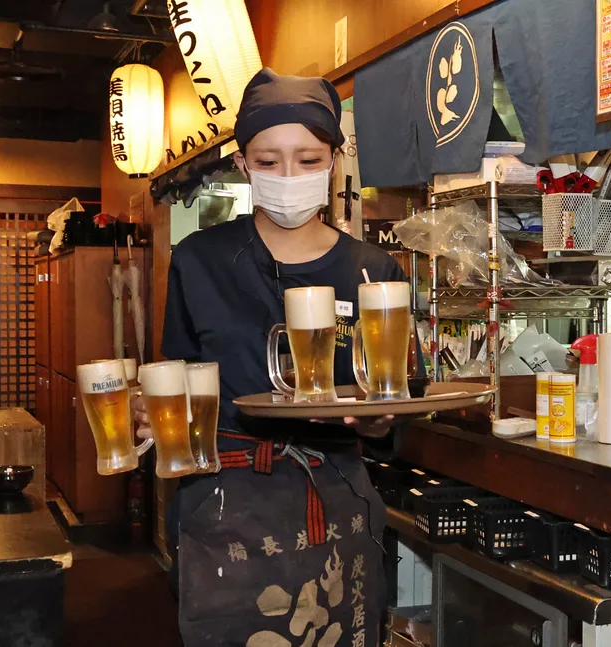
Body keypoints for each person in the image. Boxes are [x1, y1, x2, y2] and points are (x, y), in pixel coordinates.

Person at [135, 68, 419, 647]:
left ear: (334, 161)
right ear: (243, 165)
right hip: (226, 499)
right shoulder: (199, 260)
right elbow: (180, 377)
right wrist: (153, 417)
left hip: (335, 491)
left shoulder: (373, 272)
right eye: (268, 161)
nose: (288, 176)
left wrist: (384, 419)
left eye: (308, 159)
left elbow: (391, 396)